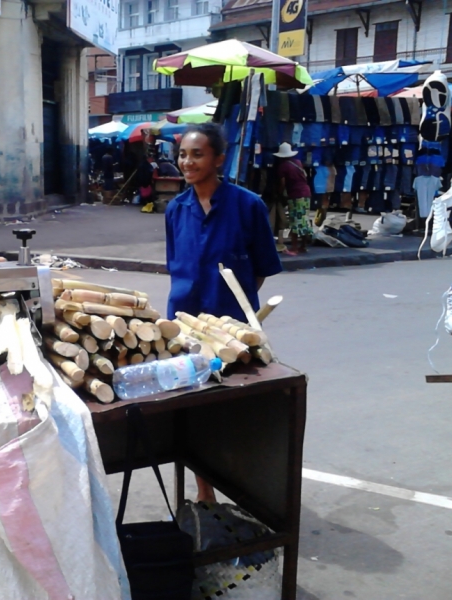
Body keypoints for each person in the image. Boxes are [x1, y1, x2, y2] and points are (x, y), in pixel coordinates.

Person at [165, 122, 282, 502]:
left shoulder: (248, 205)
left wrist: (233, 315)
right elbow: (175, 265)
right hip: (183, 326)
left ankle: (246, 489)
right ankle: (205, 495)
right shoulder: (175, 210)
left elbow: (261, 267)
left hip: (232, 332)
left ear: (218, 159)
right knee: (191, 412)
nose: (187, 161)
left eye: (197, 154)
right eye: (183, 154)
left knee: (232, 413)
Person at [274, 142, 313, 255]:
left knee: (295, 221)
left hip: (295, 195)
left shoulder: (283, 166)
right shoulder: (298, 162)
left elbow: (282, 183)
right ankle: (303, 246)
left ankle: (294, 248)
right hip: (306, 193)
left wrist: (280, 194)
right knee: (304, 220)